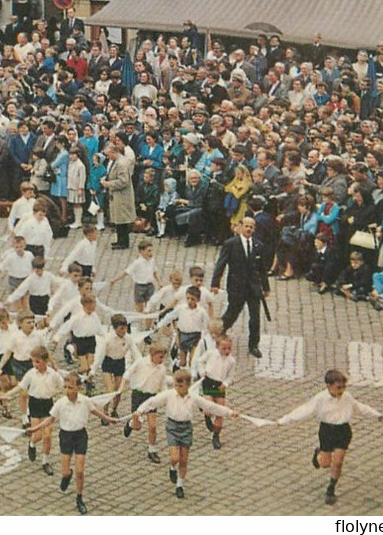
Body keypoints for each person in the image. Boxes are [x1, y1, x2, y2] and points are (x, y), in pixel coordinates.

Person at [277, 369, 383, 505]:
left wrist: (376, 414)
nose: (341, 390)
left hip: (343, 431)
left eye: (343, 387)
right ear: (329, 386)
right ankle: (318, 454)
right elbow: (304, 410)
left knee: (338, 462)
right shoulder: (320, 399)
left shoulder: (347, 397)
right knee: (325, 464)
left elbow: (360, 408)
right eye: (338, 387)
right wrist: (284, 420)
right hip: (327, 431)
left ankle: (331, 488)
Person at [128, 368, 238, 499]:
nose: (177, 388)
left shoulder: (194, 398)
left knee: (184, 460)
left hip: (186, 428)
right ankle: (172, 467)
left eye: (180, 386)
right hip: (173, 427)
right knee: (175, 457)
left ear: (188, 385)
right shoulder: (169, 395)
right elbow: (153, 401)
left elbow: (211, 406)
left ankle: (180, 485)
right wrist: (140, 410)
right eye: (176, 385)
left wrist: (229, 412)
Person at [27, 372, 119, 515]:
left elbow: (95, 412)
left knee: (80, 470)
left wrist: (108, 419)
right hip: (66, 437)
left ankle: (79, 497)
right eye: (65, 387)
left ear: (79, 388)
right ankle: (67, 475)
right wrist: (36, 428)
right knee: (65, 470)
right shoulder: (60, 403)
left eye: (70, 388)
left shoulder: (85, 401)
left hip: (80, 436)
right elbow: (50, 419)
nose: (67, 391)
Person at [210, 214, 270, 358]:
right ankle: (218, 333)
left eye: (251, 227)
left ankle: (253, 345)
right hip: (236, 286)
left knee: (255, 317)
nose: (249, 229)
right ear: (241, 227)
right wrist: (215, 283)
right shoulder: (231, 244)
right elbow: (221, 264)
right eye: (246, 226)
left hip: (253, 287)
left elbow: (262, 269)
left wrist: (265, 287)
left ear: (254, 229)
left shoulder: (258, 246)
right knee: (232, 313)